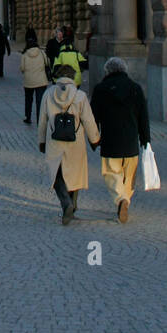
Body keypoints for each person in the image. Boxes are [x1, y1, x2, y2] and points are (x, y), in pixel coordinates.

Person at [90, 57, 151, 225]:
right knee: (129, 176)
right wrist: (145, 139)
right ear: (124, 70)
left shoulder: (100, 89)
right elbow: (143, 117)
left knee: (112, 173)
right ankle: (125, 200)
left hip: (110, 141)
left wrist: (94, 139)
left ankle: (121, 199)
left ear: (107, 71)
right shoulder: (136, 89)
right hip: (131, 141)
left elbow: (93, 117)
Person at [38, 64, 100, 225]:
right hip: (75, 141)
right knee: (75, 171)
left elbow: (42, 121)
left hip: (55, 140)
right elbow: (88, 120)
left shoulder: (48, 94)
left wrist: (41, 141)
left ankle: (66, 203)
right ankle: (72, 203)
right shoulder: (80, 96)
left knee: (57, 173)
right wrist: (95, 139)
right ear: (72, 77)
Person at [20, 29, 50, 125]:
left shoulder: (24, 54)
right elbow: (47, 63)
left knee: (28, 99)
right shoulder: (41, 53)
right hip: (41, 81)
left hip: (28, 81)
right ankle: (39, 119)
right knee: (40, 101)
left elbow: (22, 68)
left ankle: (28, 117)